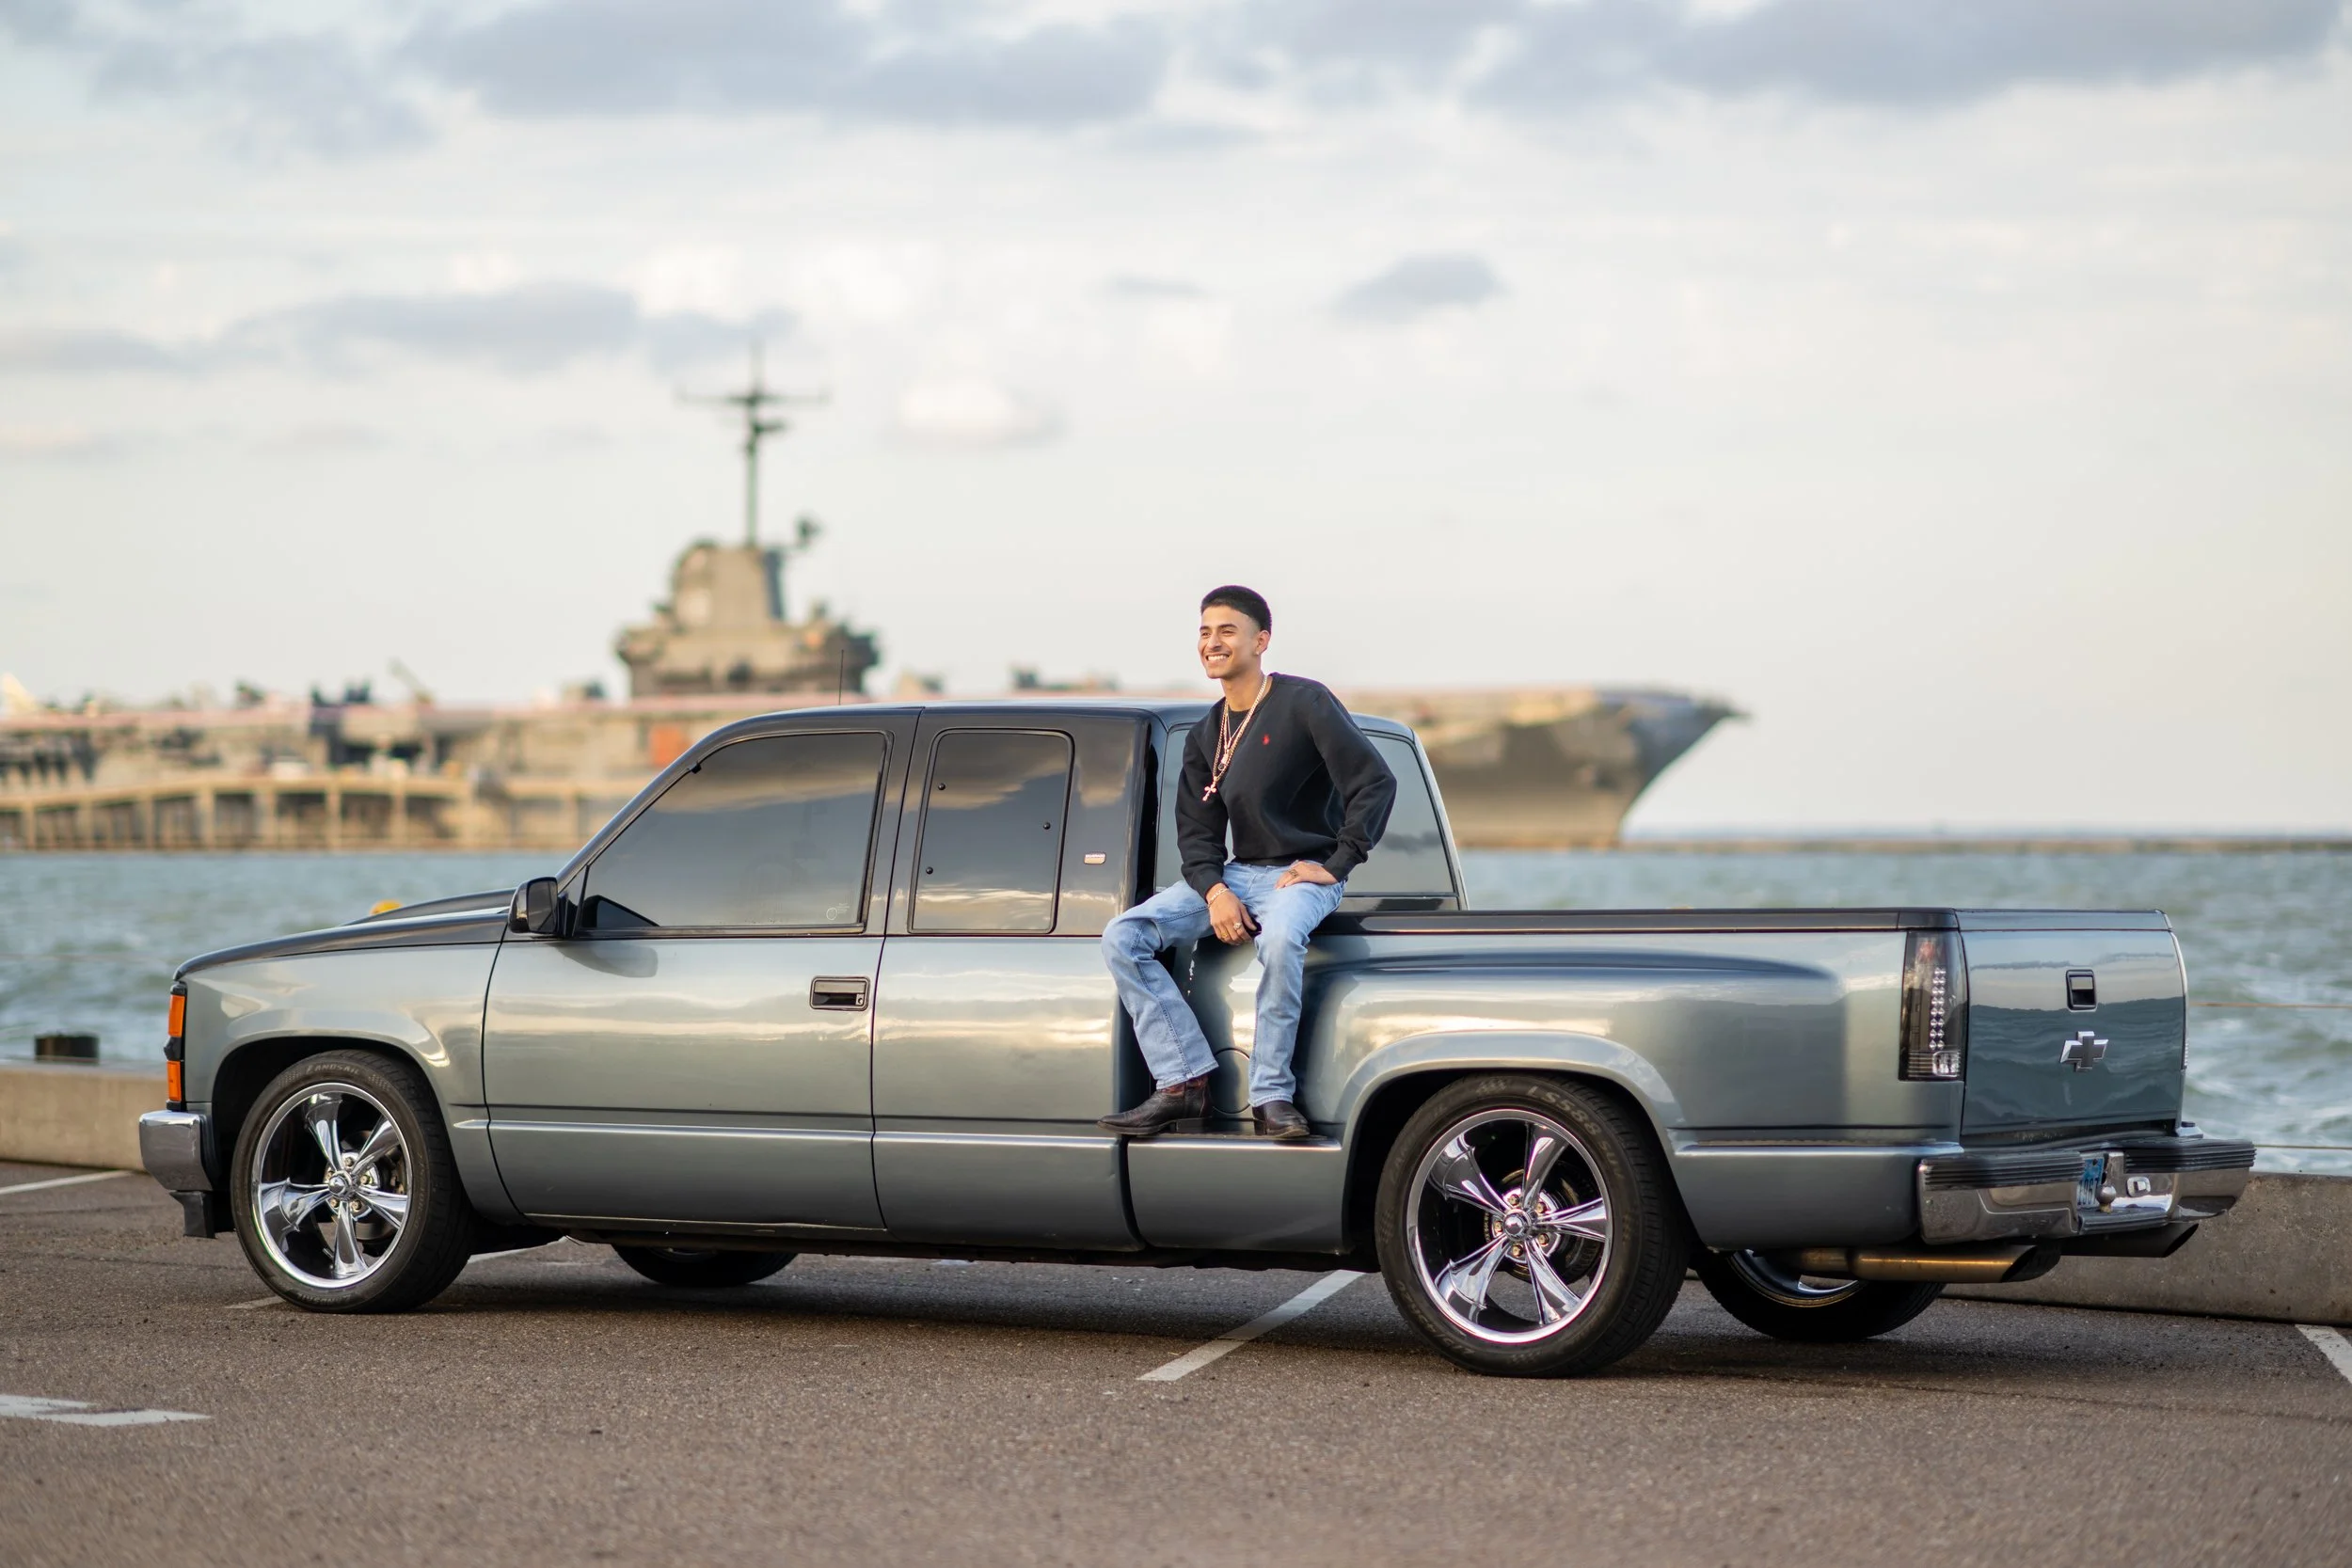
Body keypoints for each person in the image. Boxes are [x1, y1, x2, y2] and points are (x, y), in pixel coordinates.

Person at [1098, 586, 1395, 1141]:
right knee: (1124, 936)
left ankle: (1272, 1095)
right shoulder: (1205, 734)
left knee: (1280, 939)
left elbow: (1374, 781)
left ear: (1261, 641)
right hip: (1238, 874)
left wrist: (1338, 861)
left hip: (1298, 875)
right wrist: (1215, 892)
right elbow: (1198, 838)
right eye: (1205, 632)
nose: (1213, 642)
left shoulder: (1304, 703)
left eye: (1227, 631)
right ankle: (1182, 1081)